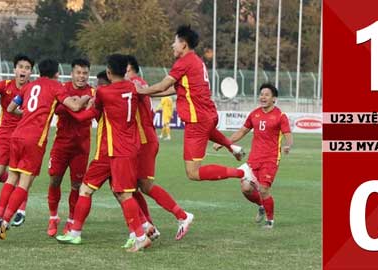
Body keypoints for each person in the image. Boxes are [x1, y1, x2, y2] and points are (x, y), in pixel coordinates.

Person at [56, 54, 152, 252]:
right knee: (91, 190)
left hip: (116, 151)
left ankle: (141, 234)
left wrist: (69, 105)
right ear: (125, 71)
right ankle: (76, 233)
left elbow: (88, 114)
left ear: (108, 72)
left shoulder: (103, 93)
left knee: (122, 194)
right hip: (120, 150)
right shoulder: (133, 88)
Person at [136, 25, 254, 184]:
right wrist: (145, 92)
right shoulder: (196, 61)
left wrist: (139, 91)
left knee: (193, 172)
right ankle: (232, 147)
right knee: (208, 130)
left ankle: (241, 172)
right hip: (208, 116)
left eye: (175, 42)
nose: (173, 45)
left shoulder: (183, 62)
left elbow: (163, 85)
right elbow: (172, 89)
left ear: (183, 44)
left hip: (197, 120)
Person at [0, 59, 91, 240]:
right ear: (56, 74)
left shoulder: (29, 86)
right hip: (34, 140)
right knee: (24, 183)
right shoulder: (56, 86)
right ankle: (4, 223)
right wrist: (85, 98)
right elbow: (76, 106)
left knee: (11, 178)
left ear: (38, 72)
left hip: (16, 135)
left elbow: (10, 107)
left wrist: (28, 114)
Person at [124, 55, 192, 245]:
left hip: (144, 141)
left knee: (142, 186)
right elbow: (164, 90)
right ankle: (148, 227)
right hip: (141, 140)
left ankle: (182, 215)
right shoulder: (139, 84)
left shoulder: (134, 84)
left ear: (132, 69)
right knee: (130, 186)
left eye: (125, 69)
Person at [214, 83, 293, 228]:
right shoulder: (254, 114)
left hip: (270, 159)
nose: (263, 97)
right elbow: (242, 131)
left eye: (266, 95)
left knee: (263, 189)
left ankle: (270, 221)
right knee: (245, 188)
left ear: (274, 98)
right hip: (254, 159)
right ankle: (261, 205)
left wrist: (288, 145)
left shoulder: (280, 116)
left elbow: (288, 135)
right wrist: (224, 142)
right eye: (261, 94)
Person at [0, 54, 34, 227]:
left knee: (17, 174)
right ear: (15, 69)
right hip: (4, 135)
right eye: (21, 67)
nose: (23, 70)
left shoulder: (33, 89)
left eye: (27, 67)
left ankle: (20, 209)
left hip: (24, 136)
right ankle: (16, 184)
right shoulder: (6, 86)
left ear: (31, 71)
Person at [47, 59, 95, 237]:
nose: (81, 76)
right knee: (54, 180)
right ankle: (53, 217)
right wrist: (79, 102)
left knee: (76, 186)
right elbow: (58, 109)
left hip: (81, 147)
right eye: (78, 73)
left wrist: (74, 104)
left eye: (85, 73)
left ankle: (70, 221)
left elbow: (84, 114)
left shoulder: (93, 92)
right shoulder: (62, 88)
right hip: (61, 145)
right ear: (72, 73)